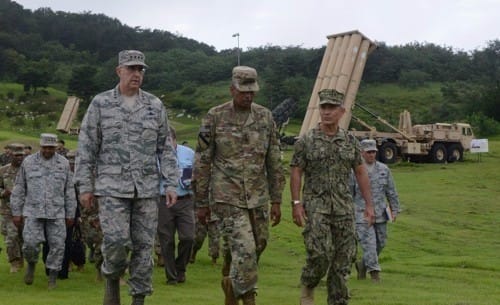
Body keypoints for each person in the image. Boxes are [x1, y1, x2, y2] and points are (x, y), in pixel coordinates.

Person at [74, 49, 179, 305]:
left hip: (145, 189)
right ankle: (111, 280)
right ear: (119, 70)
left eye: (140, 69)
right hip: (111, 188)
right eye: (131, 68)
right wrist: (85, 186)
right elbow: (86, 146)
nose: (136, 74)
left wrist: (171, 183)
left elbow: (166, 147)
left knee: (144, 247)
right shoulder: (101, 103)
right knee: (117, 241)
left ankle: (138, 299)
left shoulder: (154, 105)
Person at [194, 65, 285, 305]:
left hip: (258, 195)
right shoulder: (214, 117)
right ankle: (249, 298)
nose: (248, 95)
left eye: (252, 91)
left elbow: (274, 159)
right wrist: (201, 202)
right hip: (227, 196)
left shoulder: (265, 117)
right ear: (232, 89)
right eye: (244, 91)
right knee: (245, 249)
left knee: (258, 245)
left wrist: (277, 200)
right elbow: (202, 161)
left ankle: (231, 282)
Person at [289, 89, 375, 305]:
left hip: (343, 207)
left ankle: (338, 300)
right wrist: (296, 203)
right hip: (316, 205)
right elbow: (296, 171)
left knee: (344, 256)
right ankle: (309, 285)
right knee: (320, 253)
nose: (326, 112)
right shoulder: (306, 141)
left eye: (331, 108)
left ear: (341, 111)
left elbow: (360, 172)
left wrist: (369, 204)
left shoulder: (350, 141)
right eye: (323, 107)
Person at [10, 133, 77, 289]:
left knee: (58, 245)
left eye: (51, 147)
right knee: (30, 244)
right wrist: (16, 212)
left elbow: (69, 190)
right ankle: (32, 264)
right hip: (33, 211)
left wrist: (70, 213)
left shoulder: (64, 163)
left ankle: (52, 277)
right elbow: (19, 188)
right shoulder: (28, 162)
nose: (48, 150)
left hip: (57, 213)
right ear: (40, 146)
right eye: (45, 147)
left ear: (55, 147)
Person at [351, 139, 400, 282]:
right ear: (362, 153)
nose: (372, 155)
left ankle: (363, 265)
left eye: (374, 152)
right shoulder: (354, 171)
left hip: (381, 213)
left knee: (381, 243)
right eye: (369, 152)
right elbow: (348, 193)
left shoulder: (384, 169)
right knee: (369, 244)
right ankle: (375, 274)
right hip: (362, 213)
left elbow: (391, 191)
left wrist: (395, 209)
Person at [157, 126, 195, 285]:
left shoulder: (188, 153)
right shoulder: (155, 156)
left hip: (185, 199)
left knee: (188, 237)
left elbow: (197, 171)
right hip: (164, 201)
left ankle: (181, 268)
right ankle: (172, 276)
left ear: (174, 140)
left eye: (169, 141)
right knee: (167, 240)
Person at [0, 143, 26, 273]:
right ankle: (14, 262)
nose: (19, 158)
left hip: (26, 211)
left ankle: (21, 258)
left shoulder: (29, 170)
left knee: (23, 238)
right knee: (11, 237)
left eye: (21, 155)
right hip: (8, 211)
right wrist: (3, 193)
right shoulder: (3, 171)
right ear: (10, 155)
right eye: (16, 155)